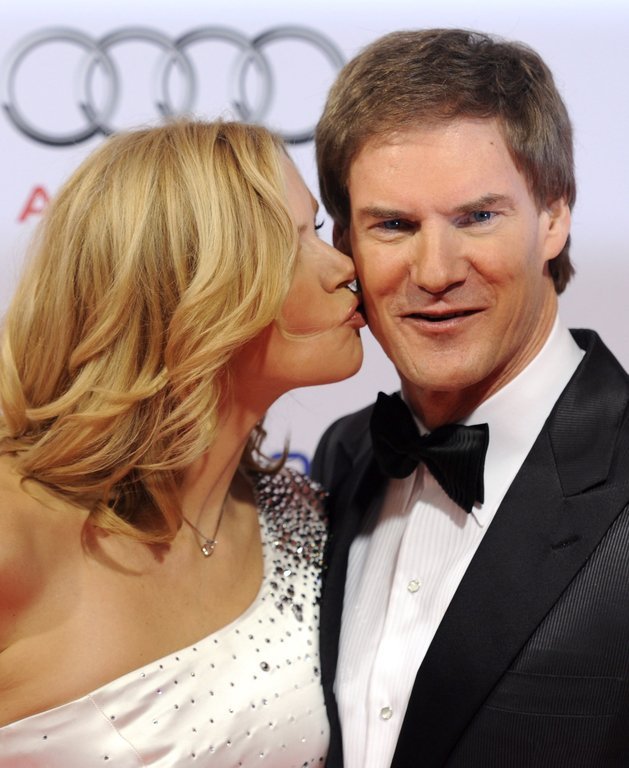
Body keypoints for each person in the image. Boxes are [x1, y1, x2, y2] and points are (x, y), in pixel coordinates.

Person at [0, 119, 365, 765]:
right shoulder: (15, 528)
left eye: (316, 229)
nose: (343, 266)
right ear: (195, 288)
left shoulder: (304, 517)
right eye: (295, 242)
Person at [311, 28, 629, 768]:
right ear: (345, 243)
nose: (435, 271)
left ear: (553, 217)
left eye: (477, 217)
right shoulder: (342, 457)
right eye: (394, 225)